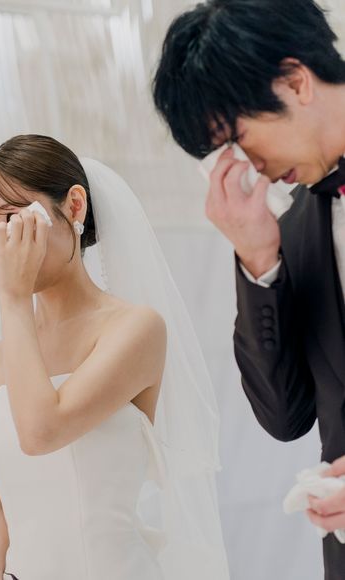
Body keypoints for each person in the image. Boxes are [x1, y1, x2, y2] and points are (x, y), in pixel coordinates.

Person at [0, 134, 228, 580]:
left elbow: (41, 432)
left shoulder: (136, 329)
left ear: (74, 206)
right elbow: (1, 509)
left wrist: (12, 299)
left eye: (13, 218)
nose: (0, 242)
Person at [152, 1, 345, 578]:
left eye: (240, 139)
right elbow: (285, 416)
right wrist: (258, 257)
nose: (252, 168)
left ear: (294, 81)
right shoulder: (294, 229)